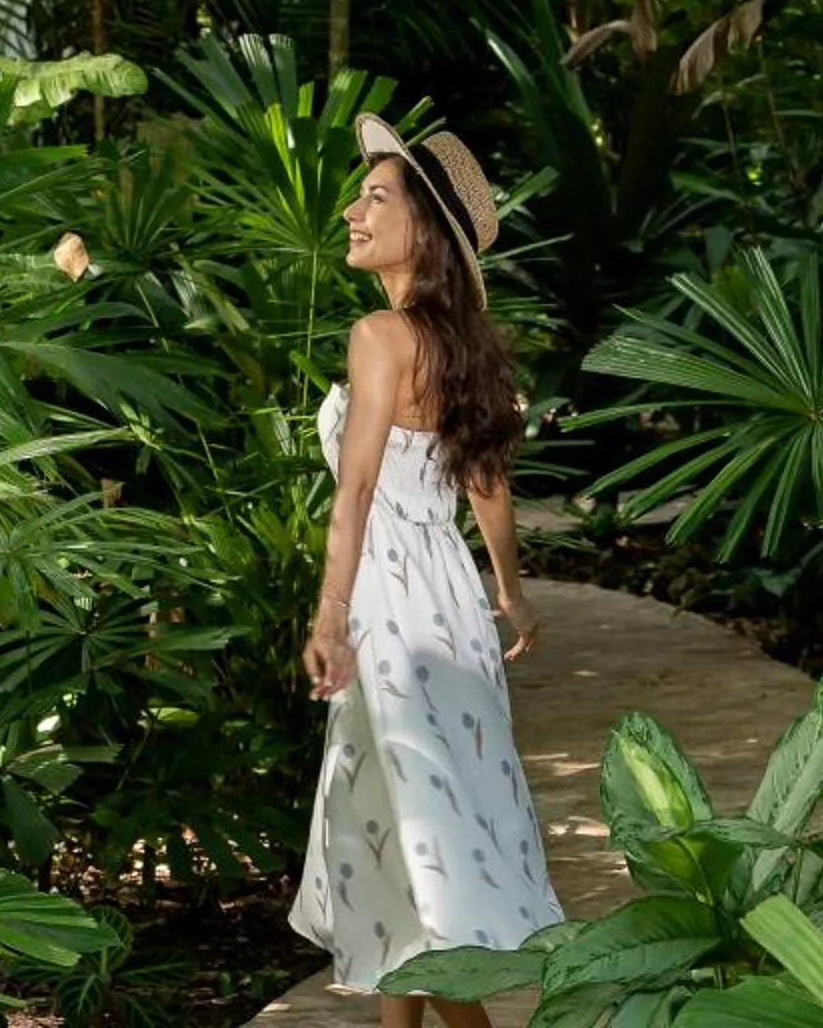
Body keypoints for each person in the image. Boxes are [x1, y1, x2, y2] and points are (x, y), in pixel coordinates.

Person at [291, 115, 563, 1023]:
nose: (353, 212)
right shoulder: (464, 350)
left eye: (376, 197)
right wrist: (510, 597)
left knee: (416, 857)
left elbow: (359, 488)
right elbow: (486, 486)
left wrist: (331, 616)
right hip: (449, 609)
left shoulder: (381, 336)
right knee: (406, 856)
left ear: (425, 229)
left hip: (392, 608)